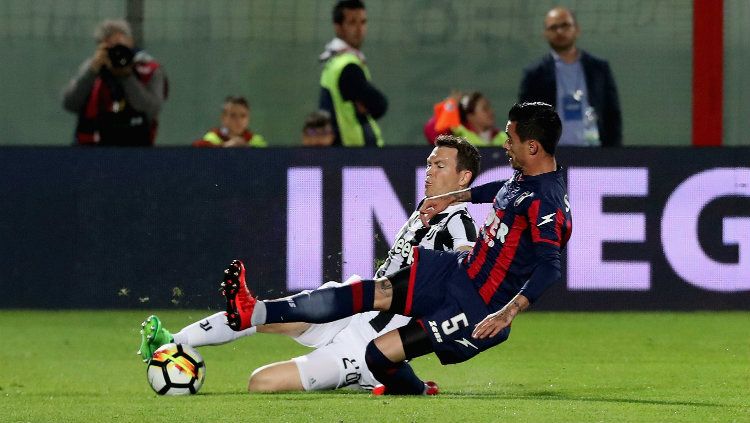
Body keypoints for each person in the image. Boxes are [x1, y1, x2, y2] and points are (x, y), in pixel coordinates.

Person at [221, 102, 572, 395]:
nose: (505, 144)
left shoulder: (548, 202)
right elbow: (499, 190)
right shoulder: (526, 178)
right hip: (458, 271)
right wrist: (452, 197)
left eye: (510, 139)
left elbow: (549, 267)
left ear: (532, 147)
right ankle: (255, 311)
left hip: (478, 306)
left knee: (377, 356)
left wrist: (507, 313)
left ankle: (418, 390)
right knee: (365, 292)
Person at [139, 135, 481, 394]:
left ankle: (365, 379)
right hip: (352, 309)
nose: (429, 172)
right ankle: (173, 340)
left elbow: (470, 266)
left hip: (369, 343)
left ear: (463, 178)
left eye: (440, 166)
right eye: (429, 164)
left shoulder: (459, 223)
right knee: (260, 314)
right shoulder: (427, 207)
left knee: (260, 383)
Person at [519, 6, 621, 147]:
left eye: (565, 25)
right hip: (552, 155)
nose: (559, 31)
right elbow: (526, 121)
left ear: (577, 29)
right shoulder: (535, 74)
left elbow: (612, 115)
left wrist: (613, 153)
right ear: (545, 34)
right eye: (553, 28)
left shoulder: (599, 69)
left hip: (595, 152)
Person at [62, 19, 167, 146]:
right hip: (92, 146)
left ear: (131, 42)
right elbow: (70, 103)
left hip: (137, 145)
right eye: (110, 48)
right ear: (100, 48)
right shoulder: (93, 67)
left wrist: (127, 77)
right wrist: (91, 72)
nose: (117, 53)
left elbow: (151, 111)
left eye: (120, 47)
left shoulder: (149, 69)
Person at [319, 0, 387, 147]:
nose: (359, 29)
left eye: (363, 22)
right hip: (355, 154)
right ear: (338, 27)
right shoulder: (347, 66)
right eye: (352, 23)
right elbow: (379, 105)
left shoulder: (333, 63)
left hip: (341, 152)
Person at [423, 91, 508, 147]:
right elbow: (432, 133)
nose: (491, 112)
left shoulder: (503, 137)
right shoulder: (458, 134)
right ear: (470, 115)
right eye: (485, 109)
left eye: (490, 108)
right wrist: (450, 106)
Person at [192, 96, 267, 148]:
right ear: (223, 118)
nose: (238, 120)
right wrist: (225, 147)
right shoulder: (211, 139)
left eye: (243, 116)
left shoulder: (256, 141)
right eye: (233, 115)